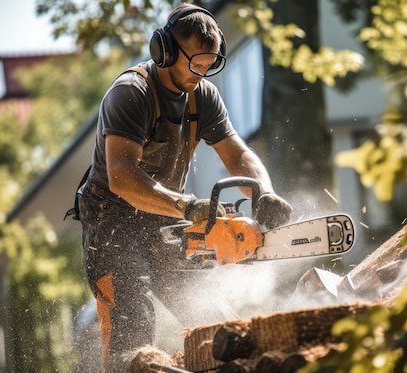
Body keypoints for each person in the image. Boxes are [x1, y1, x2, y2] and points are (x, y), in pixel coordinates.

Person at [76, 3, 292, 371]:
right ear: (164, 51)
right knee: (133, 324)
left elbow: (237, 153)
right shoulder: (131, 93)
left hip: (161, 218)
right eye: (195, 63)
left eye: (209, 65)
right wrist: (188, 207)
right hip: (111, 224)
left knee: (212, 316)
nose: (202, 72)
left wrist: (263, 192)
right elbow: (122, 176)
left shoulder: (202, 95)